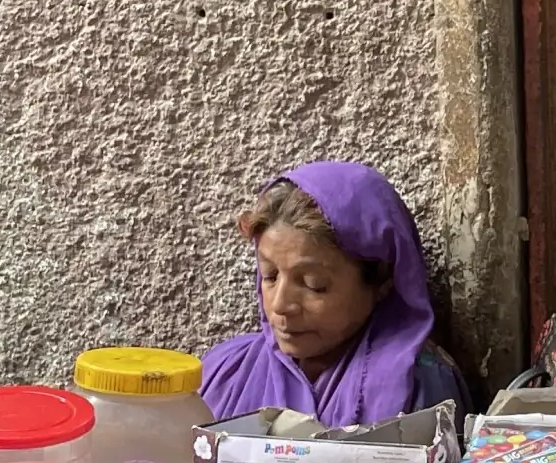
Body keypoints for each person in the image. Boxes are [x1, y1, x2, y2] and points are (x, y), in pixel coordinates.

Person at [200, 160, 474, 427]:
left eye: (313, 284)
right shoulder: (225, 372)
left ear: (382, 281)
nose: (280, 305)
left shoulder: (417, 389)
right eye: (269, 275)